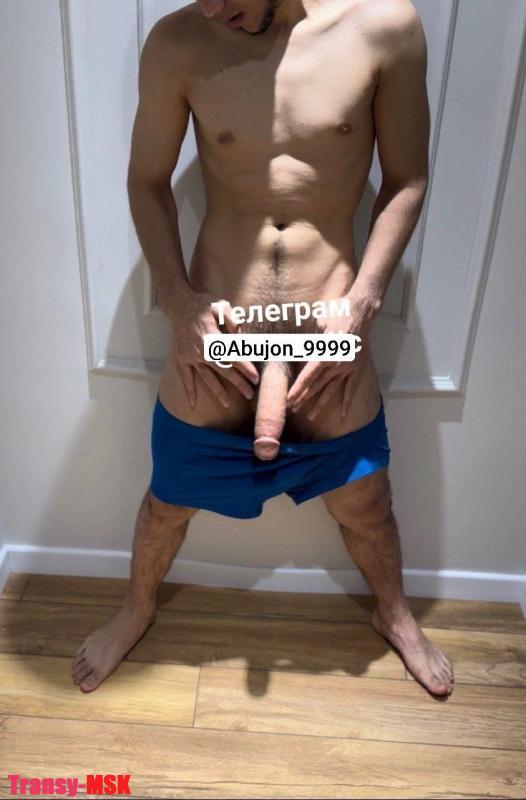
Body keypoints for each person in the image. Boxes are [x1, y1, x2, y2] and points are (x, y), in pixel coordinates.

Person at [71, 0, 455, 697]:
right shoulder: (178, 41)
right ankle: (136, 608)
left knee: (367, 503)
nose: (214, 9)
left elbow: (408, 179)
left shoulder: (383, 25)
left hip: (328, 328)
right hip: (219, 336)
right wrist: (178, 302)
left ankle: (394, 613)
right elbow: (146, 181)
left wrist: (364, 303)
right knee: (168, 501)